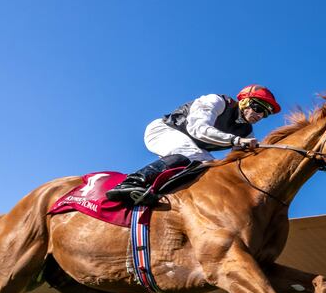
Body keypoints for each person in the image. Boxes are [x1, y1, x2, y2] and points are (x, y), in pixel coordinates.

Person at [106, 84, 281, 204]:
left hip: (192, 148)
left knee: (213, 171)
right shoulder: (217, 101)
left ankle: (161, 194)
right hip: (163, 131)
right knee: (192, 156)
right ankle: (130, 183)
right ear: (244, 101)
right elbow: (199, 129)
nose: (260, 115)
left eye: (265, 114)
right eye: (258, 108)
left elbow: (237, 164)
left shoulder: (246, 132)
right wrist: (235, 140)